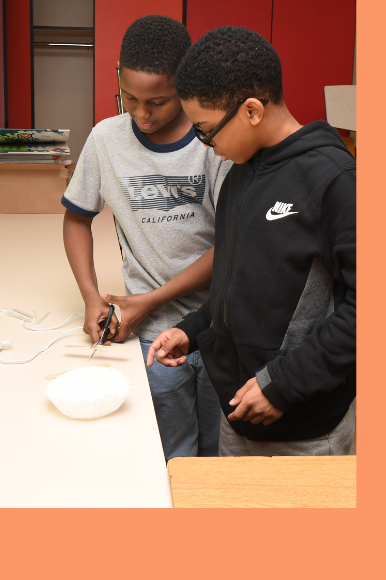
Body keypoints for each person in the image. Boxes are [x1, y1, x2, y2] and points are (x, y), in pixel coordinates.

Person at [147, 26, 355, 456]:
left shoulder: (334, 179)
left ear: (253, 111)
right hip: (239, 411)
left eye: (207, 130)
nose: (206, 144)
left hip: (305, 427)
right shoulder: (241, 173)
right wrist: (191, 330)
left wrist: (283, 385)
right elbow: (237, 287)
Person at [62, 14, 228, 459]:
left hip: (220, 325)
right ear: (116, 72)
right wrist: (91, 295)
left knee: (218, 456)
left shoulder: (215, 142)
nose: (141, 112)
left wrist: (150, 300)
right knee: (170, 452)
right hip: (151, 335)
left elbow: (234, 244)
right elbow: (77, 219)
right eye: (129, 97)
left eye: (159, 101)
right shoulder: (105, 140)